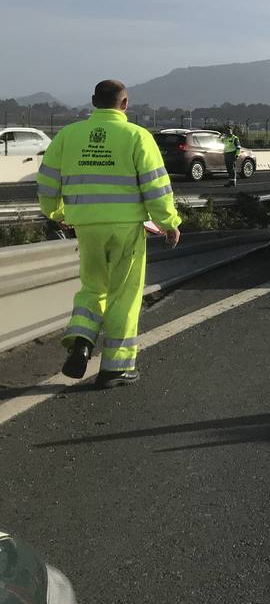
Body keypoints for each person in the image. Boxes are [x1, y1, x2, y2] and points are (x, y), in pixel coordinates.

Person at [37, 79, 182, 388]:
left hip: (86, 227)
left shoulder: (67, 136)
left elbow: (47, 183)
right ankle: (116, 368)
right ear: (125, 104)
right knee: (124, 297)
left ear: (93, 101)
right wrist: (169, 222)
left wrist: (57, 214)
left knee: (92, 289)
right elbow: (156, 187)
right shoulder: (137, 137)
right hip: (126, 229)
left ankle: (82, 341)